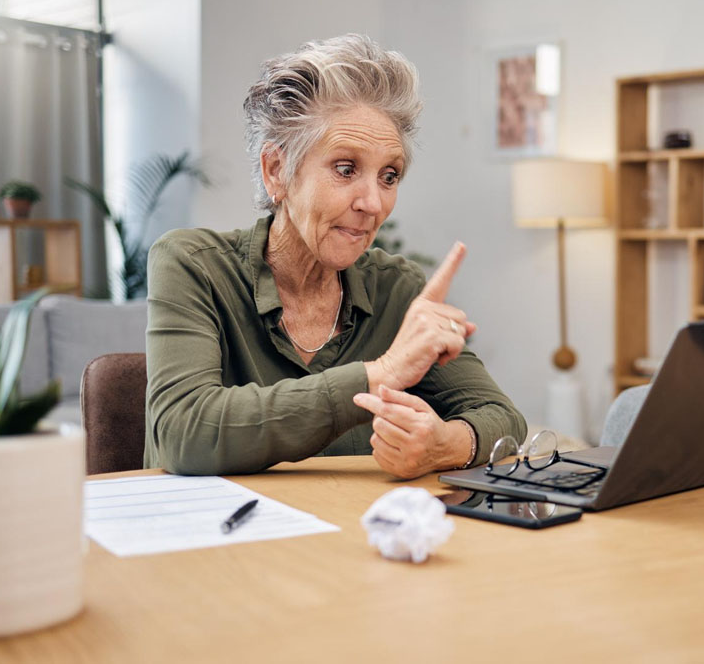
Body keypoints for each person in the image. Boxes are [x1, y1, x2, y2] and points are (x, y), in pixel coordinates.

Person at [143, 34, 526, 478]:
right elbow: (184, 432)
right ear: (276, 171)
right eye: (346, 169)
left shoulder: (395, 289)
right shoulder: (193, 265)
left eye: (389, 176)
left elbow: (503, 418)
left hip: (353, 523)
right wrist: (379, 375)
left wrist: (445, 443)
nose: (373, 203)